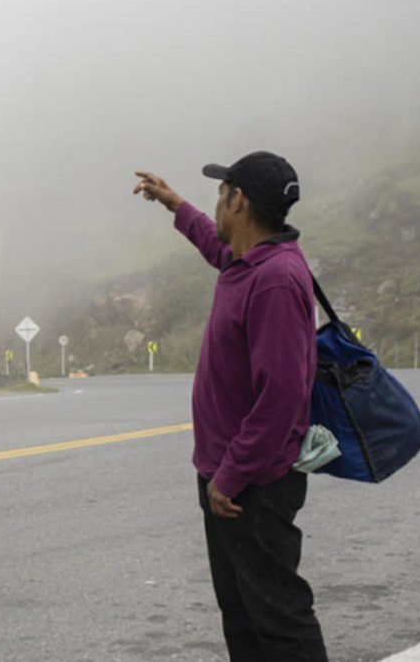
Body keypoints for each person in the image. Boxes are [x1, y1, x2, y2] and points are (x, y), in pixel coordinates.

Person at [133, 152, 328, 661]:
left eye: (222, 193)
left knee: (279, 618)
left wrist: (231, 475)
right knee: (243, 617)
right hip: (229, 475)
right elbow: (213, 243)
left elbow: (282, 396)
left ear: (238, 201)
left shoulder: (275, 279)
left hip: (252, 484)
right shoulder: (248, 262)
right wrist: (174, 203)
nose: (217, 203)